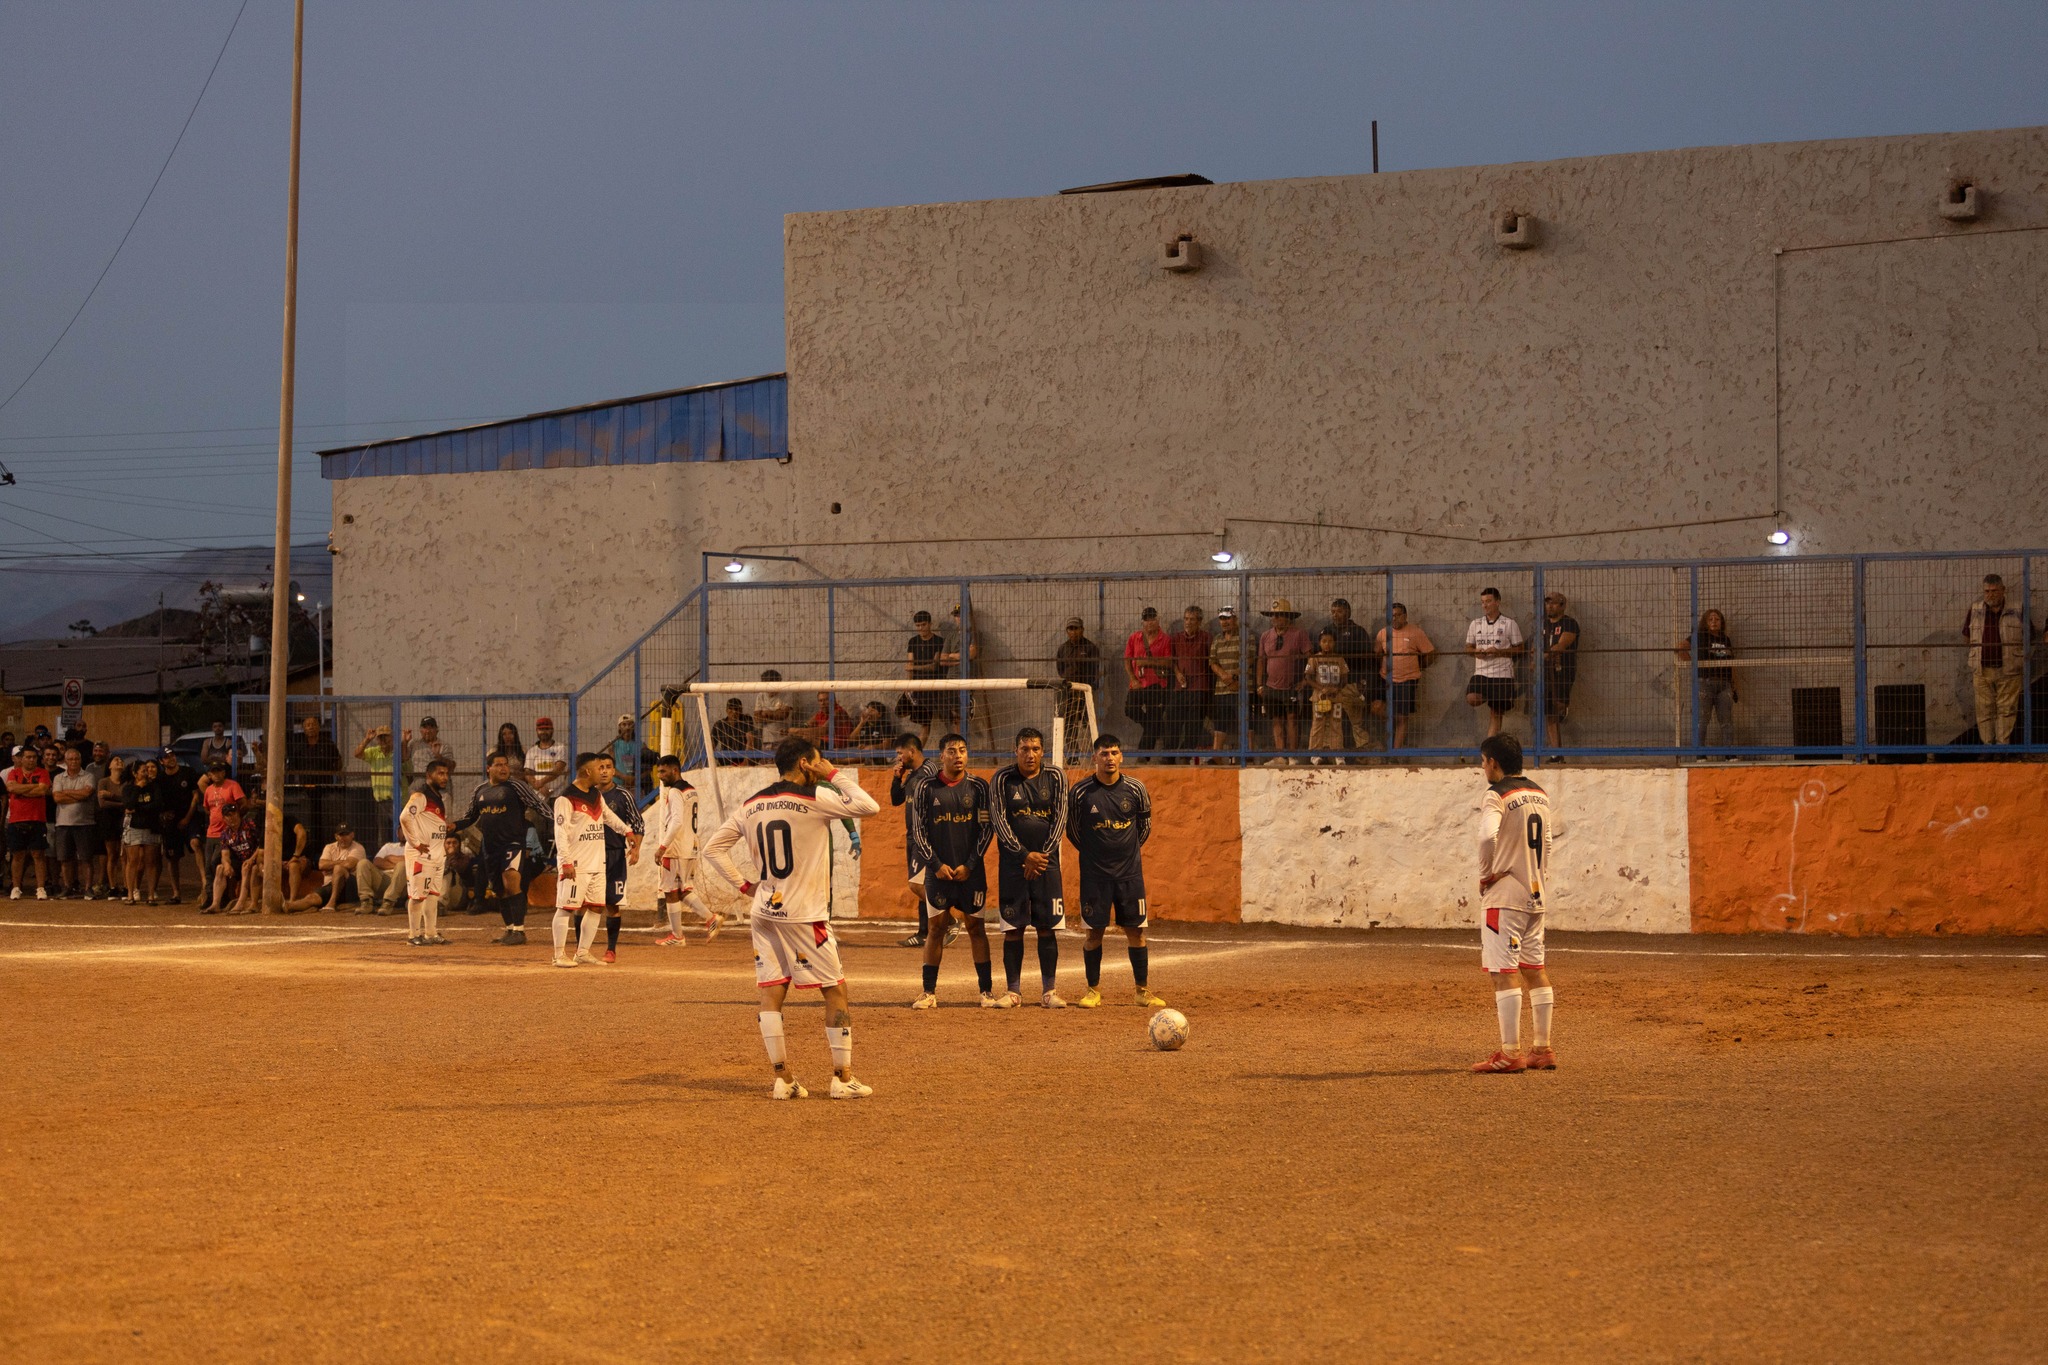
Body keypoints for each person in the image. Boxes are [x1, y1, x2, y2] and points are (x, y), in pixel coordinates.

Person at [700, 735, 881, 1100]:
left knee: (771, 992)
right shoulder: (814, 797)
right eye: (817, 761)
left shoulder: (751, 804)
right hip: (805, 914)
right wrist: (833, 772)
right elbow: (869, 806)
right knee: (835, 990)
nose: (820, 768)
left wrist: (745, 886)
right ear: (805, 764)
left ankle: (783, 1080)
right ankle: (842, 1080)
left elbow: (713, 849)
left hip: (764, 910)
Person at [1470, 734, 1557, 1074]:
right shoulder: (1539, 793)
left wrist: (1485, 875)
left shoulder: (1496, 794)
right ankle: (1543, 1048)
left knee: (1502, 973)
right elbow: (1546, 842)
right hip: (1536, 893)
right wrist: (1537, 877)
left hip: (1505, 897)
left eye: (1482, 762)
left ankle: (1510, 1053)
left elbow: (1486, 836)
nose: (1482, 768)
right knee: (1534, 969)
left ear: (1493, 762)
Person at [1066, 735, 1164, 1009]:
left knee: (1136, 931)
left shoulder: (1136, 789)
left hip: (1129, 874)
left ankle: (1142, 991)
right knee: (1093, 933)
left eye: (1114, 752)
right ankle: (1092, 990)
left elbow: (1144, 827)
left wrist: (1126, 852)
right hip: (1095, 875)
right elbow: (1073, 831)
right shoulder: (1081, 792)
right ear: (1094, 757)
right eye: (1104, 753)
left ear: (1121, 757)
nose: (1109, 758)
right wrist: (1095, 853)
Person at [909, 734, 999, 1010]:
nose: (958, 755)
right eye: (951, 751)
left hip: (971, 873)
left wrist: (970, 864)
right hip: (938, 874)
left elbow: (986, 829)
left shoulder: (980, 788)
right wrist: (935, 865)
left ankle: (986, 992)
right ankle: (928, 992)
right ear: (941, 756)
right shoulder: (925, 788)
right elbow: (918, 830)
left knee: (976, 928)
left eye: (962, 750)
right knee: (936, 928)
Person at [990, 727, 1067, 1008]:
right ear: (1016, 751)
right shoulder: (1001, 779)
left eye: (1035, 748)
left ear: (1042, 751)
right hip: (1013, 866)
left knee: (1047, 927)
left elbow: (1060, 820)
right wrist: (1024, 856)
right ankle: (1013, 992)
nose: (1030, 754)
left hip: (1047, 866)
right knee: (1013, 928)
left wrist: (1041, 857)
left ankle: (1049, 991)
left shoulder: (1056, 777)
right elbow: (1000, 822)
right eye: (1024, 749)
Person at [449, 752, 551, 946]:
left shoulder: (516, 786)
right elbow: (470, 817)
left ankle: (520, 931)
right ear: (489, 768)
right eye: (499, 765)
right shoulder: (480, 790)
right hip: (490, 847)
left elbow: (538, 805)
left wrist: (559, 821)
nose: (504, 768)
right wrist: (454, 826)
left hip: (513, 843)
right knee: (499, 889)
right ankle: (510, 929)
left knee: (511, 880)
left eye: (505, 764)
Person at [550, 753, 640, 967]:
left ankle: (582, 952)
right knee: (566, 907)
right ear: (587, 771)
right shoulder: (566, 799)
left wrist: (627, 831)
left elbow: (608, 816)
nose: (603, 772)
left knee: (596, 907)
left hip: (598, 863)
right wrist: (565, 862)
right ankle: (558, 955)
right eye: (598, 767)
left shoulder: (596, 796)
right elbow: (560, 833)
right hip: (576, 864)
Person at [644, 754, 718, 946]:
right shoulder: (691, 790)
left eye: (663, 771)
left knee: (670, 891)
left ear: (674, 770)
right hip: (690, 846)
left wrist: (662, 847)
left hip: (675, 848)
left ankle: (678, 937)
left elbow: (676, 822)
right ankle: (711, 919)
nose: (660, 776)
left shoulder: (675, 792)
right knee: (682, 889)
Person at [889, 733, 943, 947]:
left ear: (912, 751)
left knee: (916, 884)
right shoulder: (911, 774)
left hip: (926, 836)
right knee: (922, 882)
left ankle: (948, 920)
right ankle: (924, 932)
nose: (898, 757)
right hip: (912, 835)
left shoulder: (930, 771)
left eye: (900, 753)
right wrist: (896, 777)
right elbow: (896, 800)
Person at [1964, 573, 2028, 745]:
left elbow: (2029, 637)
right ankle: (1987, 747)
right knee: (1984, 710)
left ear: (2003, 590)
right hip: (1982, 670)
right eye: (1986, 591)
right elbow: (1967, 636)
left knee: (2006, 710)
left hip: (2009, 670)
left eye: (1994, 590)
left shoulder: (2018, 609)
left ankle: (2002, 747)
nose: (1990, 594)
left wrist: (2019, 657)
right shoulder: (1975, 609)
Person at [399, 758, 457, 947]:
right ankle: (413, 935)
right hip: (422, 854)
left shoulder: (436, 797)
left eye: (446, 774)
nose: (444, 777)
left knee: (432, 895)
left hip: (436, 855)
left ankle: (430, 933)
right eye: (440, 773)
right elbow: (405, 817)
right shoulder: (421, 795)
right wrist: (415, 843)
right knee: (417, 896)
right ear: (428, 775)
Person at [595, 755, 646, 961]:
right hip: (590, 855)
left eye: (608, 767)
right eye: (601, 767)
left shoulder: (623, 795)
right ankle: (581, 950)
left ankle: (611, 949)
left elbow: (638, 824)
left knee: (612, 904)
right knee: (583, 904)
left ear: (614, 771)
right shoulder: (587, 795)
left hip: (615, 853)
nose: (605, 771)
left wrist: (636, 849)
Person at [1463, 588, 1524, 739]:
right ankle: (1492, 697)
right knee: (1472, 698)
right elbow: (1468, 647)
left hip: (1502, 674)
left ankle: (1489, 746)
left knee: (1496, 713)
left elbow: (1520, 648)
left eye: (1488, 601)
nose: (1485, 605)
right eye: (1482, 602)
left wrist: (1499, 652)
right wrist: (1476, 652)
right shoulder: (1475, 624)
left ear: (1497, 602)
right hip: (1482, 672)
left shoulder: (1509, 623)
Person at [1375, 604, 1436, 751]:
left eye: (1398, 615)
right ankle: (1386, 741)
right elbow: (1377, 653)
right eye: (1392, 615)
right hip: (1386, 679)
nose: (1394, 618)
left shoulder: (1416, 632)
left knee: (1402, 717)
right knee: (1376, 707)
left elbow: (1430, 653)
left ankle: (1395, 752)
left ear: (1405, 616)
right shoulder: (1383, 633)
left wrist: (1418, 667)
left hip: (1407, 680)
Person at [1677, 609, 1739, 751]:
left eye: (1717, 619)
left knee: (1726, 721)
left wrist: (1734, 685)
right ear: (1705, 622)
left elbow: (1732, 663)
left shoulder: (1725, 639)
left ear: (1721, 622)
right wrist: (1694, 666)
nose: (1714, 622)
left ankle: (1729, 753)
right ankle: (1700, 754)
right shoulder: (1700, 636)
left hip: (1724, 684)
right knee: (1702, 721)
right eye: (1710, 619)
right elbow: (1680, 647)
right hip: (1705, 683)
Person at [1257, 598, 1312, 757]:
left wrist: (1305, 680)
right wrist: (1260, 685)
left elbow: (1311, 658)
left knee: (1292, 720)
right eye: (1273, 615)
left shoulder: (1299, 634)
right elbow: (1261, 660)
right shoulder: (1265, 636)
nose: (1275, 619)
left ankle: (1293, 755)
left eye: (1279, 615)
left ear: (1288, 617)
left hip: (1291, 687)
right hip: (1271, 686)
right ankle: (1281, 755)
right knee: (1277, 720)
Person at [1325, 598, 1378, 755]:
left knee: (1356, 721)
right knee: (1329, 719)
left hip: (1351, 684)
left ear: (1348, 613)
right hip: (1329, 685)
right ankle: (1331, 750)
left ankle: (1365, 750)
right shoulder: (1327, 631)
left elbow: (1368, 660)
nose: (1335, 615)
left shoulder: (1358, 632)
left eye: (1339, 611)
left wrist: (1364, 683)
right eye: (1333, 612)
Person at [49, 747, 99, 899]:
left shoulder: (88, 776)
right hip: (63, 823)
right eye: (70, 759)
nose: (73, 762)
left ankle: (88, 888)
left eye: (76, 759)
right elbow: (57, 798)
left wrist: (66, 792)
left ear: (80, 760)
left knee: (86, 858)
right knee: (65, 858)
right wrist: (77, 795)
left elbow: (86, 793)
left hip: (84, 823)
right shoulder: (58, 777)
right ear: (65, 761)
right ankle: (67, 886)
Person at [1123, 607, 1174, 753]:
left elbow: (1169, 662)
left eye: (1153, 619)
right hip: (1138, 684)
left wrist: (1147, 663)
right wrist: (1133, 679)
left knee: (1153, 715)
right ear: (1142, 622)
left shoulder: (1165, 639)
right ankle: (1156, 727)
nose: (1150, 622)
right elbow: (1127, 659)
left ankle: (1143, 756)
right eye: (1147, 620)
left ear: (1158, 621)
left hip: (1157, 685)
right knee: (1130, 709)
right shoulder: (1135, 638)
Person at [197, 759, 246, 907]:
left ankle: (222, 896)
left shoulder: (232, 786)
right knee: (208, 867)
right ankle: (211, 897)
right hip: (211, 832)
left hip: (225, 833)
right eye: (213, 772)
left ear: (224, 772)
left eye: (219, 771)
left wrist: (234, 821)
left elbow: (244, 804)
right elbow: (207, 808)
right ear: (209, 775)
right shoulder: (209, 790)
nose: (216, 774)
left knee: (215, 863)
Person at [5, 747, 50, 901]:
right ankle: (16, 887)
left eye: (33, 757)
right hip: (17, 819)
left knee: (38, 854)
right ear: (21, 759)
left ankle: (40, 888)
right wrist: (33, 787)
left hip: (37, 818)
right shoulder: (13, 773)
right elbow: (10, 787)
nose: (31, 760)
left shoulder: (42, 773)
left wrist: (20, 790)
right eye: (28, 757)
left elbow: (42, 790)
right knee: (18, 855)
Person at [1169, 605, 1214, 758]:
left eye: (1192, 619)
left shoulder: (1206, 638)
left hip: (1199, 687)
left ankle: (1185, 754)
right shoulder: (1176, 638)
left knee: (1194, 723)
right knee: (1172, 720)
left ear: (1199, 621)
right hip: (1180, 687)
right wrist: (1177, 673)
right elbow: (1172, 661)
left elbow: (1211, 661)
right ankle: (1169, 755)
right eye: (1186, 619)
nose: (1188, 622)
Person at [155, 749, 200, 903]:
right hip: (171, 822)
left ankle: (206, 887)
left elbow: (196, 796)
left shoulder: (188, 772)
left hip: (190, 816)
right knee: (172, 857)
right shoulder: (160, 779)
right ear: (162, 761)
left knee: (196, 844)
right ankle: (176, 893)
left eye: (172, 755)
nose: (171, 759)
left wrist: (187, 818)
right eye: (166, 757)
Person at [120, 758, 166, 905]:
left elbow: (158, 804)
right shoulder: (128, 788)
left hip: (151, 827)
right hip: (134, 827)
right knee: (132, 861)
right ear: (135, 774)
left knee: (150, 861)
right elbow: (128, 804)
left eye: (147, 770)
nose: (146, 773)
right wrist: (138, 788)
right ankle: (130, 894)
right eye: (143, 771)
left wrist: (138, 809)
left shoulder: (155, 787)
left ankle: (151, 894)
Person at [1540, 592, 1581, 753]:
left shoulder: (1569, 623)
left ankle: (1563, 709)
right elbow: (1534, 645)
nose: (1550, 606)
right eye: (1548, 603)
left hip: (1562, 671)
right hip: (1544, 672)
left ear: (1562, 605)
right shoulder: (1542, 625)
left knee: (1558, 705)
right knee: (1549, 713)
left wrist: (1545, 654)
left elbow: (1561, 645)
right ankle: (1556, 753)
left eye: (1554, 603)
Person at [1303, 629, 1349, 763]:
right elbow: (1308, 677)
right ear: (1319, 643)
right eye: (1324, 641)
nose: (1327, 644)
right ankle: (1315, 754)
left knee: (1336, 724)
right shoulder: (1314, 658)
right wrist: (1322, 688)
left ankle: (1338, 754)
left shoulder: (1339, 659)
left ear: (1334, 642)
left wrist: (1336, 688)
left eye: (1330, 641)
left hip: (1336, 697)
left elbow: (1344, 678)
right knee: (1318, 724)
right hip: (1319, 698)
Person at [903, 610, 949, 745]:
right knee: (924, 725)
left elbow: (934, 666)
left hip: (936, 687)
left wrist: (914, 668)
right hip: (920, 688)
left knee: (949, 720)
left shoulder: (939, 641)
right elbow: (910, 662)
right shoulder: (913, 641)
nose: (920, 628)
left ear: (930, 624)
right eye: (917, 626)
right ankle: (917, 756)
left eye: (923, 625)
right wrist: (909, 685)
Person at [1055, 616, 1101, 740]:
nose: (1073, 632)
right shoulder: (1063, 649)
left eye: (1076, 628)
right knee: (1070, 723)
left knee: (1088, 722)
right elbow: (1060, 669)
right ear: (1066, 631)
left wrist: (1090, 687)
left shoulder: (1091, 648)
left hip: (1085, 691)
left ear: (1082, 629)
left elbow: (1096, 669)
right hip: (1069, 691)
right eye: (1070, 629)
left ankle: (1093, 749)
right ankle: (1072, 755)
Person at [1207, 606, 1243, 759]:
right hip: (1222, 690)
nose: (1225, 622)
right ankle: (1216, 758)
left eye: (1228, 618)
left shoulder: (1245, 637)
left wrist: (1234, 677)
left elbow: (1249, 659)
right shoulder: (1217, 639)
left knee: (1245, 723)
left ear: (1235, 619)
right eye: (1222, 619)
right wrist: (1225, 676)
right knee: (1220, 725)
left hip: (1241, 688)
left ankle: (1247, 758)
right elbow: (1213, 661)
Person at [94, 755, 128, 899]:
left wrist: (111, 796)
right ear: (110, 766)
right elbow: (103, 804)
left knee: (124, 855)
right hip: (108, 819)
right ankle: (113, 886)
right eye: (116, 760)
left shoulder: (126, 783)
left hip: (123, 819)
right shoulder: (103, 782)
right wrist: (121, 803)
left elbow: (128, 800)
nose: (119, 761)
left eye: (121, 760)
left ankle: (126, 885)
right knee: (111, 854)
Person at [316, 825, 368, 911]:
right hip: (330, 885)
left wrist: (330, 867)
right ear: (336, 836)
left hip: (350, 886)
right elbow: (321, 865)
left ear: (352, 835)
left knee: (338, 869)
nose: (343, 838)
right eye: (340, 835)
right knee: (312, 898)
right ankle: (288, 906)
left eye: (346, 834)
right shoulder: (329, 847)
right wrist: (340, 863)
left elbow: (349, 864)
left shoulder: (358, 848)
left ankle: (331, 903)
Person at [353, 837, 408, 916]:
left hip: (403, 883)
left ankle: (388, 903)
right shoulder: (388, 846)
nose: (404, 832)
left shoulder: (417, 848)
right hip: (384, 878)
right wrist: (397, 864)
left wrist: (389, 858)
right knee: (363, 863)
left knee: (402, 866)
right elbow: (377, 862)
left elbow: (411, 863)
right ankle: (366, 902)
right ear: (397, 832)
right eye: (401, 829)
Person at [526, 716, 570, 800]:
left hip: (558, 795)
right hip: (538, 797)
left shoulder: (560, 748)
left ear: (552, 730)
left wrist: (540, 783)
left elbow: (558, 770)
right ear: (537, 731)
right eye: (541, 729)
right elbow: (528, 772)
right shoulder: (531, 751)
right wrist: (538, 786)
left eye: (547, 729)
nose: (544, 732)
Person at [755, 671, 795, 753]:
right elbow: (757, 718)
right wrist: (775, 713)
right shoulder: (761, 695)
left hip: (783, 738)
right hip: (767, 738)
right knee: (767, 764)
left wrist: (766, 713)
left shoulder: (786, 694)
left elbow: (783, 715)